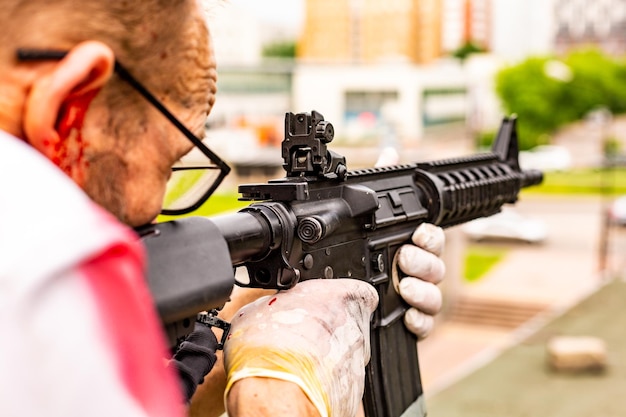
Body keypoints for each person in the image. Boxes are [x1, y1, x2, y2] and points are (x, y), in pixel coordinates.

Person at [0, 1, 446, 417]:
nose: (159, 211)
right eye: (170, 163)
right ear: (68, 114)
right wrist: (281, 393)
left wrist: (279, 302)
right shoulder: (44, 285)